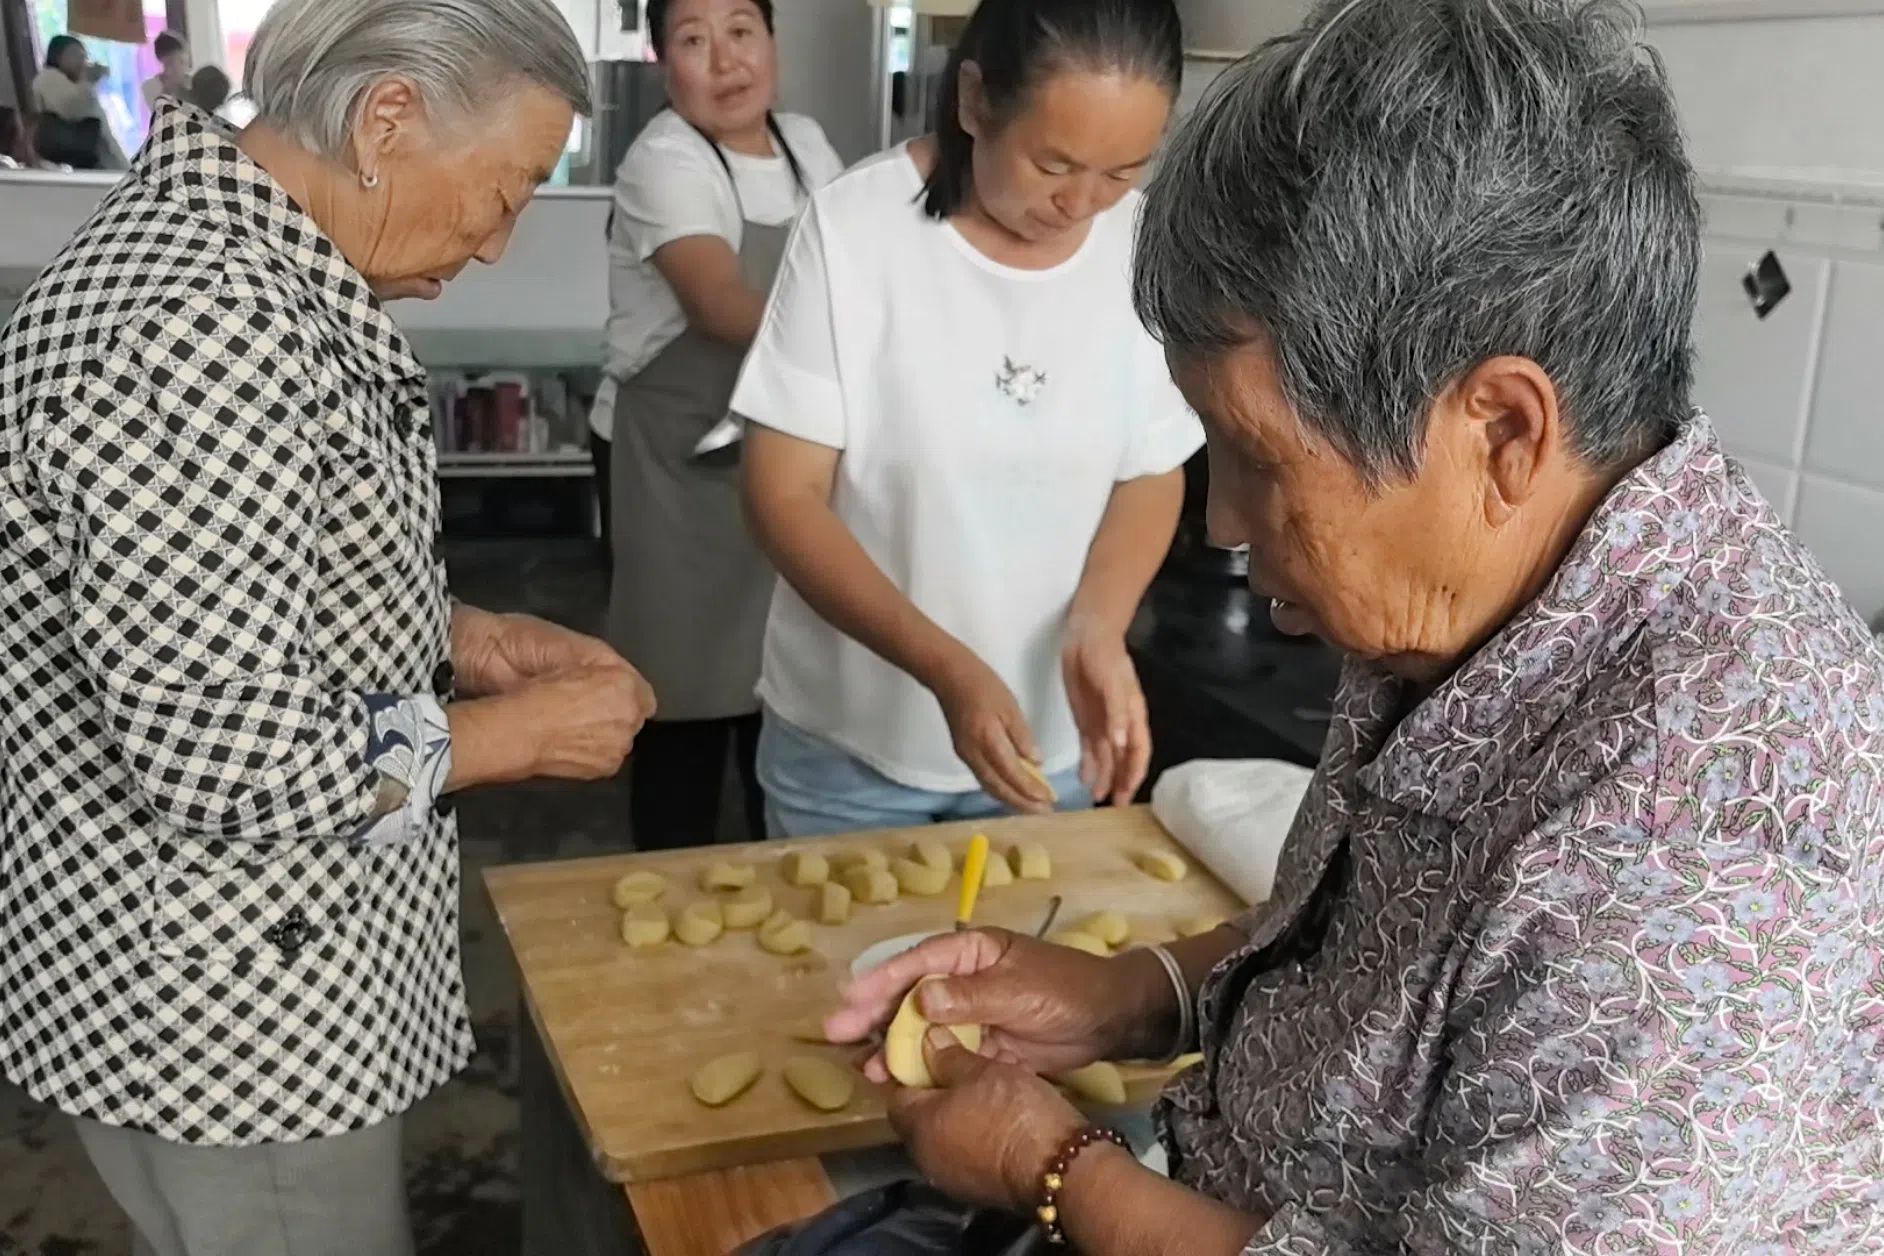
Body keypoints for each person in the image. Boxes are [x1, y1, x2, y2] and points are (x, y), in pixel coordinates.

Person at [825, 0, 1884, 1249]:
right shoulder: (1495, 589)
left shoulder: (1684, 852)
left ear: (1500, 430)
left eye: (1259, 458)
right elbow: (1382, 967)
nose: (1220, 519)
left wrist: (1054, 1165)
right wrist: (1130, 996)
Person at [0, 1, 656, 1251]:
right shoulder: (207, 330)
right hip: (228, 1008)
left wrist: (464, 634)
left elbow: (216, 593)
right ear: (387, 117)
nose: (502, 241)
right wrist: (516, 737)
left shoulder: (224, 260)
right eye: (505, 188)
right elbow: (227, 754)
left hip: (217, 973)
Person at [736, 0, 1199, 839]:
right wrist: (944, 666)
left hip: (1047, 754)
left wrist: (1099, 625)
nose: (1082, 203)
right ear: (976, 100)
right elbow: (783, 496)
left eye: (1122, 171)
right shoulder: (853, 231)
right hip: (849, 754)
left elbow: (1151, 470)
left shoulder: (1144, 245)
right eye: (1054, 163)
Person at [597, 0, 844, 850]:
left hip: (778, 452)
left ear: (772, 41)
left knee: (779, 680)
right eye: (693, 41)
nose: (725, 60)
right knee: (684, 693)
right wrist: (875, 327)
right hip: (674, 462)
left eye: (742, 30)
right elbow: (721, 306)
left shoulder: (809, 147)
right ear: (663, 60)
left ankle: (768, 870)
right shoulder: (662, 160)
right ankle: (667, 876)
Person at [30, 34, 127, 170]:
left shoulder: (76, 83)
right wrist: (88, 80)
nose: (81, 60)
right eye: (74, 54)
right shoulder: (48, 78)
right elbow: (70, 107)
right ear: (57, 56)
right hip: (77, 157)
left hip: (96, 157)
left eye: (83, 56)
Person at [141, 30, 191, 115]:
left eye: (184, 61)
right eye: (179, 61)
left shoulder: (193, 82)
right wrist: (169, 89)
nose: (183, 67)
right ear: (164, 63)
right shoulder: (150, 87)